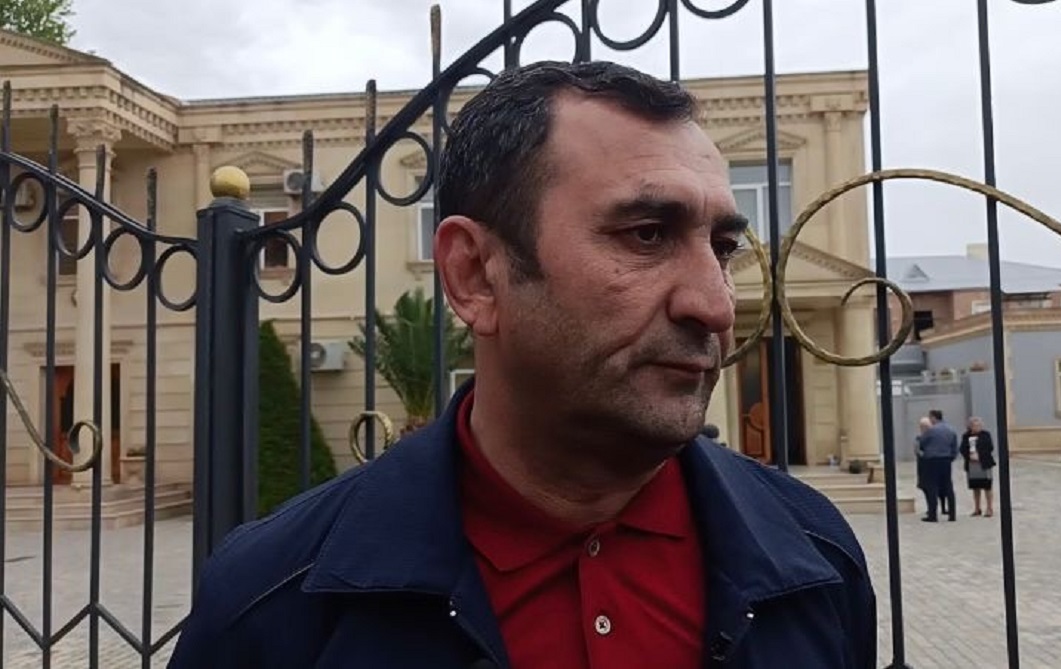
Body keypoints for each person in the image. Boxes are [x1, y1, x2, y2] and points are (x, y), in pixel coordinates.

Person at [166, 61, 876, 668]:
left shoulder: (816, 558)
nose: (716, 305)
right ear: (475, 274)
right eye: (646, 234)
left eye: (722, 247)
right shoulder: (276, 599)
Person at [917, 409, 957, 522]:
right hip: (946, 460)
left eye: (930, 418)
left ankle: (933, 515)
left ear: (934, 417)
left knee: (932, 487)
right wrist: (950, 458)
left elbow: (922, 443)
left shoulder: (931, 431)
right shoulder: (951, 430)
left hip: (932, 460)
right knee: (948, 487)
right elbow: (954, 447)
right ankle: (952, 515)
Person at [959, 416, 996, 517]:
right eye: (974, 425)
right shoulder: (966, 436)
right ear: (970, 426)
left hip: (984, 464)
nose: (977, 427)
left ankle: (989, 508)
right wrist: (969, 455)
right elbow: (962, 449)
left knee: (987, 487)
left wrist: (979, 455)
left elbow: (990, 447)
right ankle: (977, 508)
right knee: (975, 487)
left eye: (979, 425)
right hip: (972, 465)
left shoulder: (986, 435)